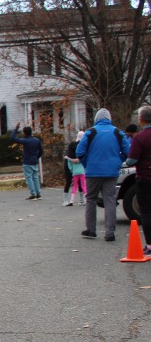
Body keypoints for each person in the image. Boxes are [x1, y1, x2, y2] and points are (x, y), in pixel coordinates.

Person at [77, 108, 130, 241]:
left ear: (96, 119)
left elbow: (80, 152)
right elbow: (127, 151)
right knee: (110, 200)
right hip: (111, 171)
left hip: (93, 171)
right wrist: (118, 161)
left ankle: (91, 230)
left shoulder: (90, 132)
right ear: (109, 118)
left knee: (91, 199)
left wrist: (87, 164)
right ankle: (110, 232)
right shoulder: (117, 132)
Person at [125, 105, 151, 254]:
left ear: (141, 119)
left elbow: (131, 160)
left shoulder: (139, 138)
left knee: (146, 211)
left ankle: (150, 245)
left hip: (145, 177)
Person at [10, 123, 44, 200]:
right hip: (34, 161)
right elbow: (41, 151)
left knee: (29, 178)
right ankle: (38, 193)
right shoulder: (36, 140)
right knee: (35, 178)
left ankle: (33, 194)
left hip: (27, 161)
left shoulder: (25, 141)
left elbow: (13, 138)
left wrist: (16, 129)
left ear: (25, 133)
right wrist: (36, 157)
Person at [63, 131, 87, 207]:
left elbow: (69, 155)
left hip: (70, 165)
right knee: (81, 184)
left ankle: (66, 200)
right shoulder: (82, 146)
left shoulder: (72, 144)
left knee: (70, 182)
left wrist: (71, 159)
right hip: (78, 168)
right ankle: (82, 199)